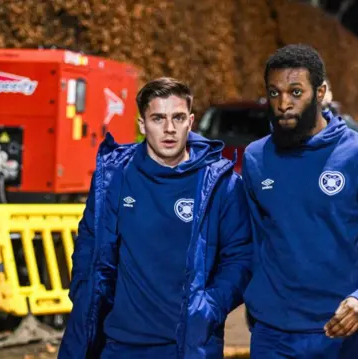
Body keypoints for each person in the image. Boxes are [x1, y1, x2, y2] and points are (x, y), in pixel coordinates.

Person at [57, 77, 253, 359]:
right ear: (142, 125)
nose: (169, 128)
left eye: (178, 117)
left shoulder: (221, 184)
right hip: (117, 344)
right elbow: (89, 242)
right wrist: (84, 292)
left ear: (191, 121)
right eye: (158, 118)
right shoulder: (114, 177)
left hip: (186, 346)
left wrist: (210, 308)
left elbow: (241, 256)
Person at [241, 44, 358, 358]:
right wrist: (254, 298)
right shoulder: (256, 157)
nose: (283, 104)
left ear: (320, 92)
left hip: (340, 330)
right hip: (272, 335)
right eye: (275, 92)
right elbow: (252, 241)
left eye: (296, 92)